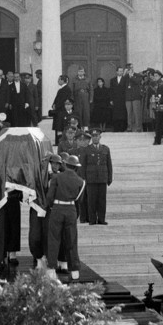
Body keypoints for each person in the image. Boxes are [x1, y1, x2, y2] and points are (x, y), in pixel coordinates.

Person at [46, 154, 85, 282]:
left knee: (53, 239)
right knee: (72, 240)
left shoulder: (56, 177)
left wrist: (53, 207)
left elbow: (50, 197)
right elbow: (79, 200)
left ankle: (51, 268)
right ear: (76, 167)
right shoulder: (81, 181)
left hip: (57, 209)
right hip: (71, 210)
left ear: (65, 164)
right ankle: (74, 270)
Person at [79, 128, 112, 225]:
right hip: (91, 179)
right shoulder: (86, 149)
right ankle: (92, 219)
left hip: (102, 178)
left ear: (100, 137)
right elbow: (83, 165)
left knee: (102, 200)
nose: (95, 138)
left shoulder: (105, 149)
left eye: (96, 136)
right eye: (93, 136)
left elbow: (109, 164)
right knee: (91, 200)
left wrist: (109, 178)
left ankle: (101, 219)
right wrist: (83, 179)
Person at [51, 76, 73, 145]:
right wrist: (53, 104)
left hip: (61, 110)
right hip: (58, 110)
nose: (58, 81)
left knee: (60, 126)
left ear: (62, 81)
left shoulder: (66, 89)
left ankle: (59, 142)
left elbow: (62, 100)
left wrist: (56, 106)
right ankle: (57, 141)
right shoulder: (62, 89)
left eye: (59, 80)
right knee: (58, 126)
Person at [150, 70, 163, 145]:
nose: (155, 77)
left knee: (158, 123)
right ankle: (158, 138)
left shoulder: (162, 85)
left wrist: (159, 100)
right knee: (158, 123)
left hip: (161, 106)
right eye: (154, 76)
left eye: (156, 75)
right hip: (158, 106)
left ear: (160, 76)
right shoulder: (157, 84)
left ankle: (158, 139)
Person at [124, 64, 142, 132]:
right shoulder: (125, 76)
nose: (130, 69)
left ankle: (138, 127)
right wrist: (124, 74)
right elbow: (122, 83)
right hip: (128, 97)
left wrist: (131, 76)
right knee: (129, 113)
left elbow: (138, 82)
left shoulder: (137, 75)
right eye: (128, 68)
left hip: (135, 96)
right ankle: (129, 127)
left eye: (131, 67)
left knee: (136, 113)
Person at [109, 66, 127, 132]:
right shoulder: (112, 80)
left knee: (123, 114)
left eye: (122, 71)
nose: (121, 72)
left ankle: (122, 128)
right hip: (115, 100)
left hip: (123, 99)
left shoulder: (125, 79)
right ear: (116, 72)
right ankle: (116, 128)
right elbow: (111, 90)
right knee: (115, 114)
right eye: (119, 71)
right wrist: (111, 99)